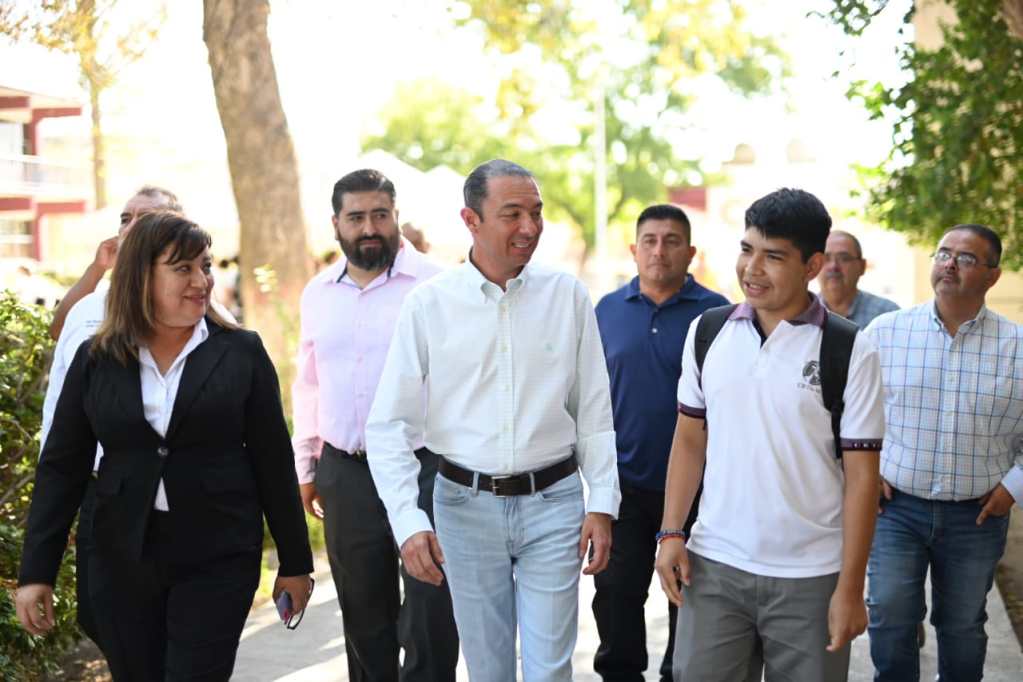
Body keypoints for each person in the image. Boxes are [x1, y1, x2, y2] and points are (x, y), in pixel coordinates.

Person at [16, 212, 313, 680]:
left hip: (218, 554)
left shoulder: (241, 352)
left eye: (206, 266)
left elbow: (272, 460)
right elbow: (62, 467)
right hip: (119, 556)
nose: (201, 281)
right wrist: (37, 572)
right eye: (183, 268)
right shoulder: (96, 357)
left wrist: (295, 563)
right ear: (141, 276)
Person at [365, 159, 620, 681]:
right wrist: (408, 520)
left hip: (554, 504)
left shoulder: (568, 296)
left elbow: (594, 412)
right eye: (512, 214)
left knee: (549, 671)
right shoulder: (429, 305)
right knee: (488, 670)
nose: (529, 227)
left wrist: (603, 502)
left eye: (536, 212)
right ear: (471, 220)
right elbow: (388, 425)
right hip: (463, 508)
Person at [655, 188, 885, 681]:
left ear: (812, 265)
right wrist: (671, 532)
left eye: (773, 256)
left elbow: (863, 479)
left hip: (811, 577)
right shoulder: (707, 332)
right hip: (713, 567)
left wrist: (850, 588)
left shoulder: (850, 349)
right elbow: (690, 440)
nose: (752, 269)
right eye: (747, 249)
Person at [39, 187, 235, 656]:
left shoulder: (202, 312)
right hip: (100, 488)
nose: (132, 226)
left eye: (147, 218)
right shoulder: (89, 307)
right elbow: (59, 349)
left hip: (182, 498)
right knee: (105, 618)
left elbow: (239, 378)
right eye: (126, 217)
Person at [291, 169, 457, 682]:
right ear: (336, 224)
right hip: (347, 471)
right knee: (363, 613)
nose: (369, 228)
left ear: (396, 216)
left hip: (424, 467)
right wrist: (307, 465)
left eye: (380, 215)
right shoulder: (318, 293)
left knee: (431, 611)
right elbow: (309, 383)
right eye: (357, 217)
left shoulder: (437, 286)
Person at [864, 223, 1022, 682]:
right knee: (889, 613)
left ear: (993, 276)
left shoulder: (1017, 348)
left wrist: (1012, 488)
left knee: (963, 625)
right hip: (896, 509)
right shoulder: (886, 333)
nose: (950, 264)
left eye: (966, 258)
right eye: (943, 253)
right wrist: (866, 471)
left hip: (977, 516)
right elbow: (848, 411)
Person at [591, 204, 727, 682]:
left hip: (696, 489)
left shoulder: (717, 314)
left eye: (671, 241)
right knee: (615, 599)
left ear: (690, 252)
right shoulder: (606, 311)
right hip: (623, 487)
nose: (659, 250)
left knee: (687, 601)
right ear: (634, 249)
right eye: (649, 240)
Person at [48, 185, 182, 341]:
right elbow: (59, 331)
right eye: (125, 220)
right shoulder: (104, 299)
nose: (129, 228)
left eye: (145, 218)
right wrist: (98, 268)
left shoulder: (190, 292)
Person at [817, 230, 898, 328]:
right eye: (826, 258)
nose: (833, 266)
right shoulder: (802, 314)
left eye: (844, 258)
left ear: (862, 266)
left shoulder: (887, 314)